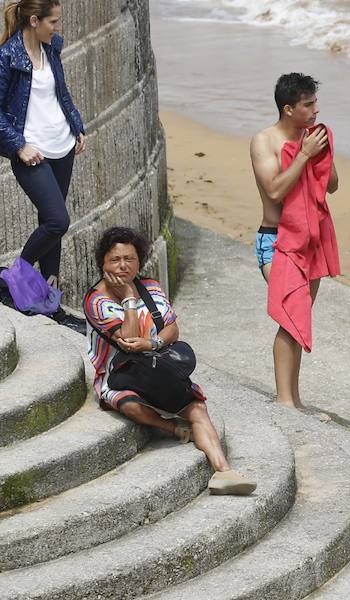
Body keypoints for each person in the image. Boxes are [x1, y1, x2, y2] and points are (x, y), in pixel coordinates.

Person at [84, 227, 256, 496]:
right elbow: (127, 341)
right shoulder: (97, 301)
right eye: (115, 260)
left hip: (158, 365)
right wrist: (129, 299)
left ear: (139, 260)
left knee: (197, 408)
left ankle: (224, 472)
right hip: (121, 373)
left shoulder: (150, 286)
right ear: (102, 264)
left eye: (129, 259)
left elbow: (172, 330)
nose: (122, 266)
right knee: (131, 406)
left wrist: (152, 343)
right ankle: (174, 427)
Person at [250, 72, 338, 413]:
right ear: (289, 109)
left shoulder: (314, 137)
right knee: (290, 315)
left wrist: (322, 154)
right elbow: (274, 190)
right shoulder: (264, 141)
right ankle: (284, 400)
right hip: (276, 240)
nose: (315, 110)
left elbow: (331, 186)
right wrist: (302, 155)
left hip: (310, 239)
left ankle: (294, 399)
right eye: (308, 104)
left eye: (315, 103)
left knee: (299, 320)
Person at [1, 0, 85, 291]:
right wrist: (19, 146)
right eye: (53, 22)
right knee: (57, 221)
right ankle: (17, 276)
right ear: (34, 21)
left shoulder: (51, 47)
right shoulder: (7, 57)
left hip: (63, 145)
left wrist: (76, 125)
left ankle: (50, 294)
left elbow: (60, 91)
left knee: (50, 226)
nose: (58, 28)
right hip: (33, 154)